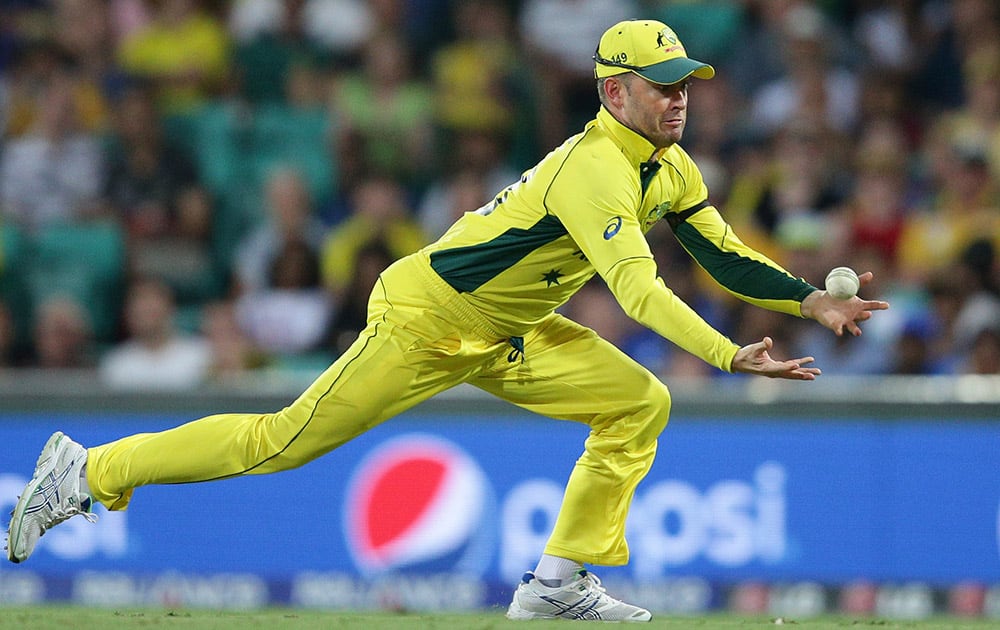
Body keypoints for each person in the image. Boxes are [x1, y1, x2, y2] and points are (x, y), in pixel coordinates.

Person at [6, 19, 889, 622]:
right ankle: (88, 470)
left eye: (684, 83)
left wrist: (810, 299)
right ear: (614, 93)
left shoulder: (671, 167)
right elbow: (639, 296)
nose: (679, 98)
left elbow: (726, 256)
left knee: (638, 402)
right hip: (427, 319)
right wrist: (730, 353)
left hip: (511, 333)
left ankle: (557, 581)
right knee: (278, 441)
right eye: (661, 87)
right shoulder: (596, 170)